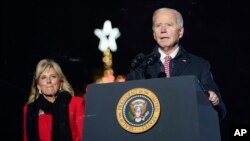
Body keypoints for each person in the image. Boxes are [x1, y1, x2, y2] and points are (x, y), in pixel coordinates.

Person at [126, 7, 226, 119]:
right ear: (154, 34)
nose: (163, 30)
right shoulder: (141, 66)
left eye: (169, 25)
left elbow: (220, 110)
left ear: (180, 32)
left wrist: (214, 100)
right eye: (158, 26)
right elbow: (127, 104)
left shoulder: (199, 65)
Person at [23, 59, 85, 141]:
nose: (48, 81)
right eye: (43, 77)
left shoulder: (76, 103)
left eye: (53, 76)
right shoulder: (29, 109)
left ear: (61, 82)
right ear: (38, 86)